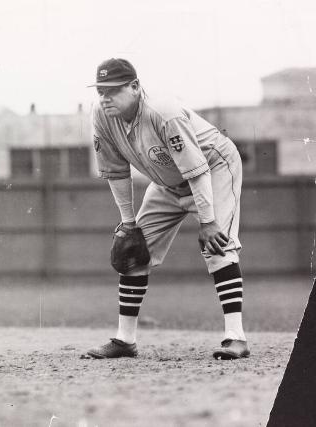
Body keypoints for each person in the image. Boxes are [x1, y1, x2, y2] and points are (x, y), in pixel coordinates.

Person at [87, 58, 250, 360]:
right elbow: (116, 172)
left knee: (217, 245)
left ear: (135, 87)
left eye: (113, 90)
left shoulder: (163, 112)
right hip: (167, 181)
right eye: (101, 90)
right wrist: (128, 222)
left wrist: (208, 220)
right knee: (133, 249)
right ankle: (125, 340)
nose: (105, 97)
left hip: (213, 167)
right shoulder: (101, 115)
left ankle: (235, 337)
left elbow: (198, 170)